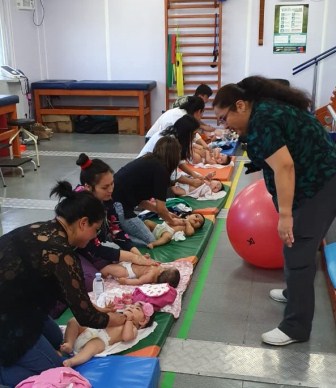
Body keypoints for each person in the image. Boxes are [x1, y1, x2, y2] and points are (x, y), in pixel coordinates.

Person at [213, 75, 336, 346]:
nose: (224, 125)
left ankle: (296, 327)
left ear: (241, 106)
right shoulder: (264, 110)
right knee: (293, 246)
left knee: (299, 249)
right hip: (319, 177)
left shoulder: (261, 122)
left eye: (224, 118)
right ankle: (294, 294)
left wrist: (285, 215)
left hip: (321, 183)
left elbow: (285, 167)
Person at [0, 181, 127, 387]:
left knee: (60, 342)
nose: (95, 237)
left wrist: (99, 309)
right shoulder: (61, 254)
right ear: (83, 223)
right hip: (9, 319)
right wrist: (117, 318)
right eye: (95, 230)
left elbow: (71, 296)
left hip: (21, 307)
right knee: (58, 371)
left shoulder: (43, 228)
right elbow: (87, 316)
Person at [75, 153, 157, 291]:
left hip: (89, 248)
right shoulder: (80, 206)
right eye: (105, 187)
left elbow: (116, 231)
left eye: (112, 183)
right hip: (74, 250)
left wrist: (138, 256)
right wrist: (131, 257)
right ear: (88, 187)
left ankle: (102, 266)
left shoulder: (107, 199)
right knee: (91, 281)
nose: (111, 190)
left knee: (119, 262)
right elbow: (91, 247)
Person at [112, 136, 185, 247]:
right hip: (118, 206)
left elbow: (139, 200)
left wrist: (166, 213)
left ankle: (119, 232)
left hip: (117, 202)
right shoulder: (161, 170)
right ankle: (115, 236)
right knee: (150, 241)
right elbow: (161, 209)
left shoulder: (149, 161)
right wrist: (172, 221)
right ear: (174, 156)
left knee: (147, 235)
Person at [61, 302, 154, 368]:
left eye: (137, 308)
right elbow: (105, 318)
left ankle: (73, 361)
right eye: (133, 305)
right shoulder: (119, 315)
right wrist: (108, 310)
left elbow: (127, 337)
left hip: (102, 339)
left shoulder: (132, 327)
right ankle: (69, 343)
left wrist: (129, 321)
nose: (132, 307)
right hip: (91, 329)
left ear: (142, 321)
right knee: (74, 321)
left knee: (92, 346)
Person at [139, 115, 215, 191]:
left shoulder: (176, 136)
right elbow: (171, 173)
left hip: (150, 168)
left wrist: (193, 174)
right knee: (170, 191)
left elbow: (178, 161)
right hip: (145, 174)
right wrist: (192, 182)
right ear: (186, 133)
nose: (194, 137)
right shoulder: (169, 142)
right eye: (194, 134)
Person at [101, 259, 181, 287]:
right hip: (131, 263)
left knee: (107, 269)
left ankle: (99, 277)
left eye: (166, 268)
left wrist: (125, 281)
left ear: (161, 273)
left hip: (128, 271)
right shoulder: (159, 267)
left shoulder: (150, 276)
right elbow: (149, 262)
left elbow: (139, 281)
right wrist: (148, 258)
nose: (164, 267)